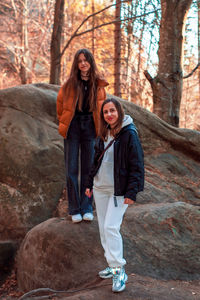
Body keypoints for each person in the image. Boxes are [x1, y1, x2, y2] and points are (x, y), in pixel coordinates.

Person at [85, 98, 144, 293]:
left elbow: (137, 165)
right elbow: (95, 160)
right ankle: (112, 265)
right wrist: (88, 183)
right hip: (100, 188)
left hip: (118, 191)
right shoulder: (103, 133)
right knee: (103, 228)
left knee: (111, 227)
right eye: (105, 112)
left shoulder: (129, 134)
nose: (109, 115)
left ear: (119, 111)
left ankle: (120, 270)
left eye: (112, 111)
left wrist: (131, 192)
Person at [57, 48, 108, 223]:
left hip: (91, 128)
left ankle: (87, 207)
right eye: (79, 61)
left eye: (85, 60)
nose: (83, 63)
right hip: (73, 127)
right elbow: (60, 106)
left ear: (90, 62)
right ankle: (74, 208)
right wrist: (65, 122)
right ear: (76, 64)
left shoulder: (99, 85)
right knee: (71, 169)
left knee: (88, 170)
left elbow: (102, 109)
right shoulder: (69, 84)